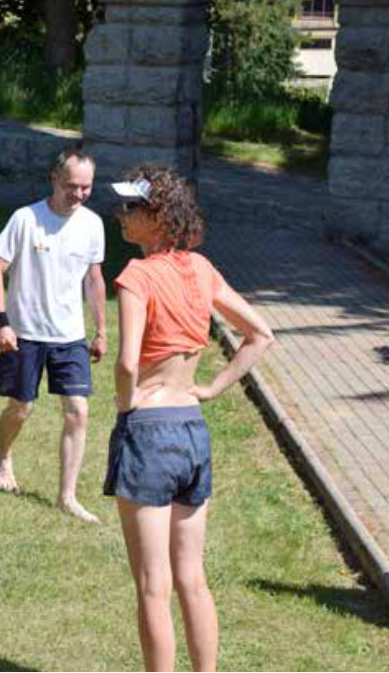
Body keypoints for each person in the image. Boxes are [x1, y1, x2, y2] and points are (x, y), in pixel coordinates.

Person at [106, 165, 274, 672]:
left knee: (153, 588)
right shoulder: (202, 269)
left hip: (149, 432)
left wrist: (124, 404)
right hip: (191, 431)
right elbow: (260, 334)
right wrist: (211, 388)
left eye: (132, 207)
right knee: (192, 578)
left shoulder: (137, 276)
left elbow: (128, 362)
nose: (122, 214)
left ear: (157, 217)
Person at [0, 147, 108, 524]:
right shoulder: (26, 219)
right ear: (54, 179)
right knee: (21, 407)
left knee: (78, 411)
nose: (79, 194)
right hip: (25, 333)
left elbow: (94, 279)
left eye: (86, 187)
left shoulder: (92, 224)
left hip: (70, 336)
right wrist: (2, 323)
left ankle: (66, 496)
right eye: (72, 186)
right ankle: (3, 458)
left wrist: (101, 330)